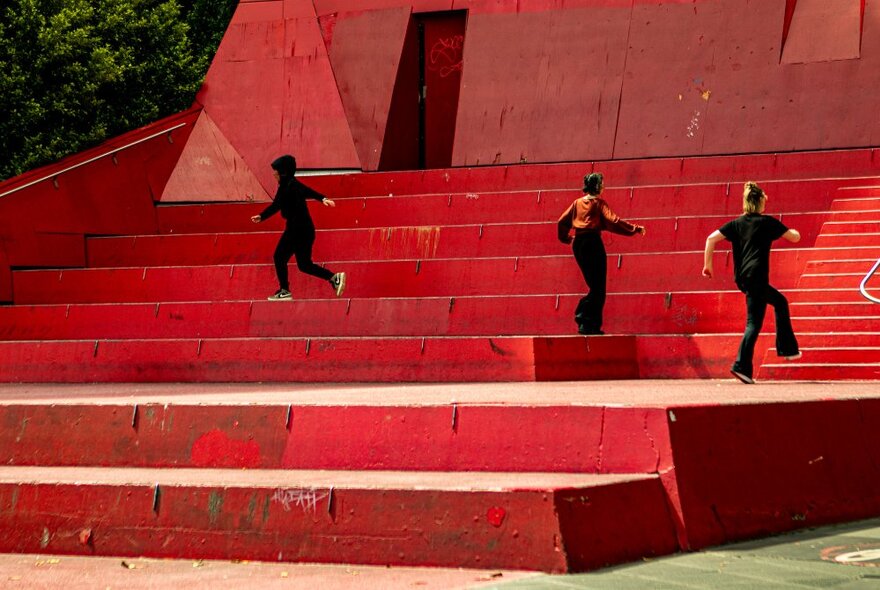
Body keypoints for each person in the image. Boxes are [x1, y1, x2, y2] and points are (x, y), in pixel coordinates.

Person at [702, 181, 802, 384]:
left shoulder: (737, 224)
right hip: (757, 276)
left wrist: (708, 265)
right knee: (754, 323)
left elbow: (710, 239)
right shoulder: (766, 222)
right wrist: (794, 231)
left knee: (779, 303)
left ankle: (786, 350)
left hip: (744, 279)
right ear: (759, 202)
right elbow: (794, 238)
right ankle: (742, 365)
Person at [557, 172, 646, 335]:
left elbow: (562, 221)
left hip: (578, 244)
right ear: (597, 186)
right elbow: (613, 220)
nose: (604, 186)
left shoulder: (576, 203)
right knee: (599, 287)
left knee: (594, 285)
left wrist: (566, 238)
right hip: (592, 243)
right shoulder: (598, 203)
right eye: (602, 183)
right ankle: (585, 318)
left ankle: (588, 323)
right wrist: (634, 229)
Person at [250, 155, 346, 301]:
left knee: (279, 257)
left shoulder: (290, 185)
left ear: (283, 172)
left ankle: (284, 290)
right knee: (304, 265)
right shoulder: (289, 184)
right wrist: (323, 199)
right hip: (306, 230)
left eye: (276, 171)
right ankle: (334, 278)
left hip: (297, 229)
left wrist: (323, 199)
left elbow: (282, 202)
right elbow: (294, 197)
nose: (273, 173)